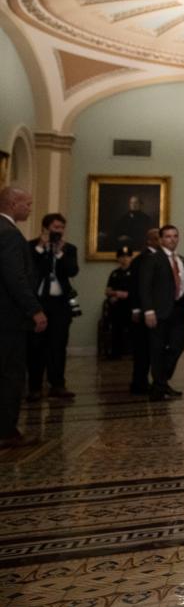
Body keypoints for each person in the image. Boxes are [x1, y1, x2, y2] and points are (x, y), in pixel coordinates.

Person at [0, 186, 47, 448]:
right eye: (27, 204)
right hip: (9, 318)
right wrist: (35, 309)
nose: (30, 208)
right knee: (11, 374)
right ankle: (7, 431)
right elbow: (15, 277)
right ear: (13, 203)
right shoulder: (9, 234)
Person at [139, 224, 184, 401]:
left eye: (175, 236)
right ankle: (159, 387)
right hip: (159, 312)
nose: (172, 239)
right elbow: (144, 286)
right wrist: (148, 311)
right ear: (161, 239)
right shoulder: (153, 259)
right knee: (157, 350)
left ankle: (161, 382)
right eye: (168, 236)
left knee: (177, 345)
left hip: (179, 311)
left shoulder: (183, 261)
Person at [27, 212, 79, 401]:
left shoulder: (69, 249)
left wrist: (59, 253)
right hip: (38, 303)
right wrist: (42, 248)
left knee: (58, 345)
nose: (59, 231)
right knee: (35, 346)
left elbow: (73, 271)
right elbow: (30, 270)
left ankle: (58, 384)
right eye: (55, 227)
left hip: (60, 305)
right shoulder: (31, 247)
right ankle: (34, 387)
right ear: (45, 228)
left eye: (61, 228)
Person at [127, 228, 162, 395]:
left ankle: (151, 381)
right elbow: (135, 287)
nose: (160, 240)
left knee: (153, 349)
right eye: (157, 238)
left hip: (157, 310)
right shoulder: (141, 260)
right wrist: (136, 309)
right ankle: (139, 383)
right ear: (149, 241)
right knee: (142, 350)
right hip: (143, 310)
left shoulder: (161, 257)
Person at [104, 245, 134, 359]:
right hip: (117, 306)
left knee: (132, 331)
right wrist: (117, 294)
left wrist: (119, 294)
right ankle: (116, 353)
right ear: (118, 259)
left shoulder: (135, 272)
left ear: (131, 258)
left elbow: (134, 291)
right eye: (122, 257)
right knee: (116, 330)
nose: (125, 259)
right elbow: (108, 290)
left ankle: (132, 353)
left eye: (127, 256)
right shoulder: (114, 273)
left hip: (130, 306)